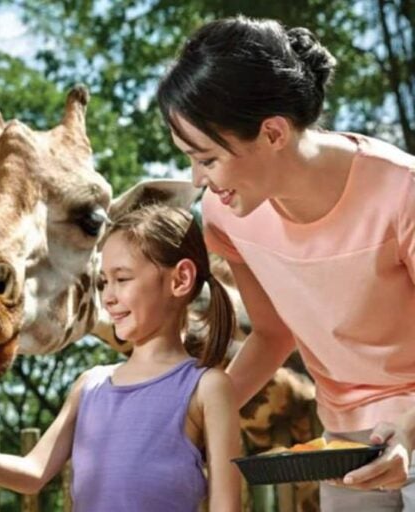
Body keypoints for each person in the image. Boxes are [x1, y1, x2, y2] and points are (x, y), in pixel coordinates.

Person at [157, 15, 415, 511]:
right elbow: (273, 334)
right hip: (344, 444)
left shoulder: (401, 192)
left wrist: (406, 430)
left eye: (207, 159)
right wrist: (192, 418)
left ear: (273, 133)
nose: (197, 180)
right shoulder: (226, 214)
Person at [0, 204, 241, 512]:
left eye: (122, 279)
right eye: (103, 282)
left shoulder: (207, 387)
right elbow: (32, 472)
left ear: (180, 279)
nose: (108, 297)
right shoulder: (91, 385)